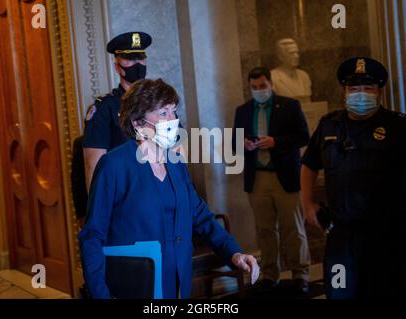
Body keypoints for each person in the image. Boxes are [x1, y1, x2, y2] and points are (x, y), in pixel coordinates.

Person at [79, 78, 260, 299]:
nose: (172, 120)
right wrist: (101, 295)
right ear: (137, 122)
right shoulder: (114, 165)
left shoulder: (176, 163)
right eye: (163, 113)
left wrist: (235, 253)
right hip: (134, 286)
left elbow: (201, 217)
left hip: (178, 283)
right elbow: (92, 235)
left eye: (173, 112)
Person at [301, 57, 406, 299]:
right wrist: (307, 202)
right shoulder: (329, 125)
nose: (360, 94)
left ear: (380, 93)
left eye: (368, 88)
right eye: (353, 88)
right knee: (340, 293)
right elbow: (309, 164)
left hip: (387, 235)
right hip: (341, 237)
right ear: (344, 92)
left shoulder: (399, 126)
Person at [232, 66, 311, 294]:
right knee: (265, 230)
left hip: (284, 175)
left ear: (271, 84)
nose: (259, 90)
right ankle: (269, 275)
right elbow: (234, 143)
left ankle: (300, 275)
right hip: (257, 178)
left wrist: (276, 142)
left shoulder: (289, 106)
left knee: (293, 229)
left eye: (262, 86)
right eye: (254, 87)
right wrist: (244, 144)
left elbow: (303, 136)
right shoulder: (243, 110)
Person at [82, 31, 152, 191]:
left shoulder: (161, 104)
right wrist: (101, 211)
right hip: (125, 194)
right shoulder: (103, 108)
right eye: (129, 59)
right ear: (117, 67)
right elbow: (94, 166)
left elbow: (178, 152)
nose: (137, 64)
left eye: (140, 58)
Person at [271, 38, 312, 103]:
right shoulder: (272, 77)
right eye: (291, 53)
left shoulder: (304, 76)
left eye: (297, 52)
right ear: (280, 56)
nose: (296, 56)